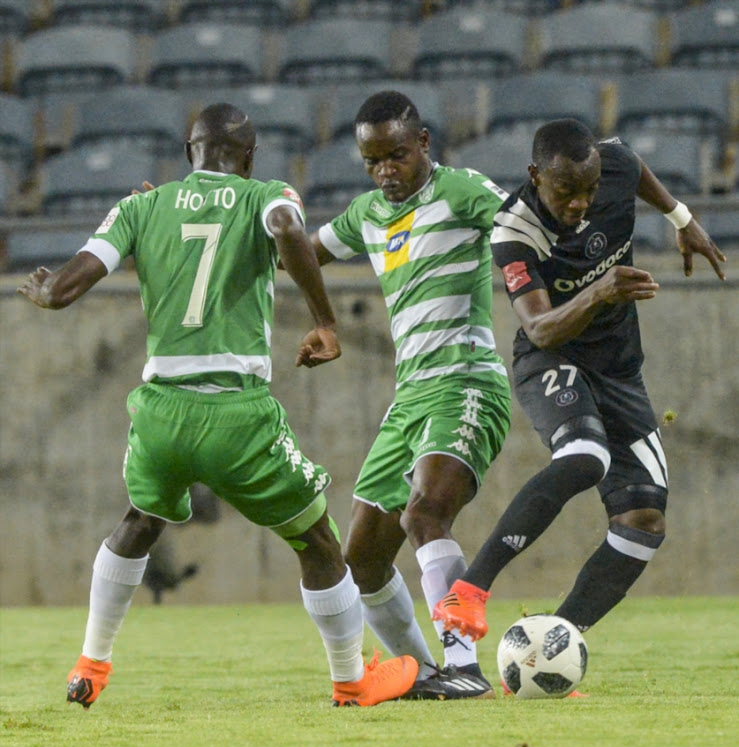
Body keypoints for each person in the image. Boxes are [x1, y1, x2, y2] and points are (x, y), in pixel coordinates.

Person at [17, 103, 418, 709]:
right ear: (250, 156)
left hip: (160, 412)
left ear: (189, 154)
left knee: (140, 521)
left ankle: (91, 665)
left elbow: (66, 287)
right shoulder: (267, 195)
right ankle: (351, 681)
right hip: (236, 412)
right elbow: (287, 231)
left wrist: (45, 292)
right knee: (318, 542)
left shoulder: (139, 206)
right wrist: (325, 322)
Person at [433, 119, 727, 666]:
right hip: (552, 358)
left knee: (644, 520)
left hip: (619, 372)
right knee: (585, 456)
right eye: (566, 192)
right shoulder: (513, 230)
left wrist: (680, 218)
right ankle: (470, 589)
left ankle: (553, 647)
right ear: (535, 176)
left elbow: (634, 167)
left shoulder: (610, 165)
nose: (581, 204)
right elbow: (540, 328)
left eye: (590, 190)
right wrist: (598, 292)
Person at [308, 91, 512, 699]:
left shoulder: (463, 190)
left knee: (424, 513)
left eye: (396, 155)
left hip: (468, 379)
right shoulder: (367, 213)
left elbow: (526, 227)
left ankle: (465, 667)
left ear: (423, 143)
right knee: (363, 557)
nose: (385, 171)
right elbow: (295, 252)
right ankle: (424, 675)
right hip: (411, 397)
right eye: (373, 161)